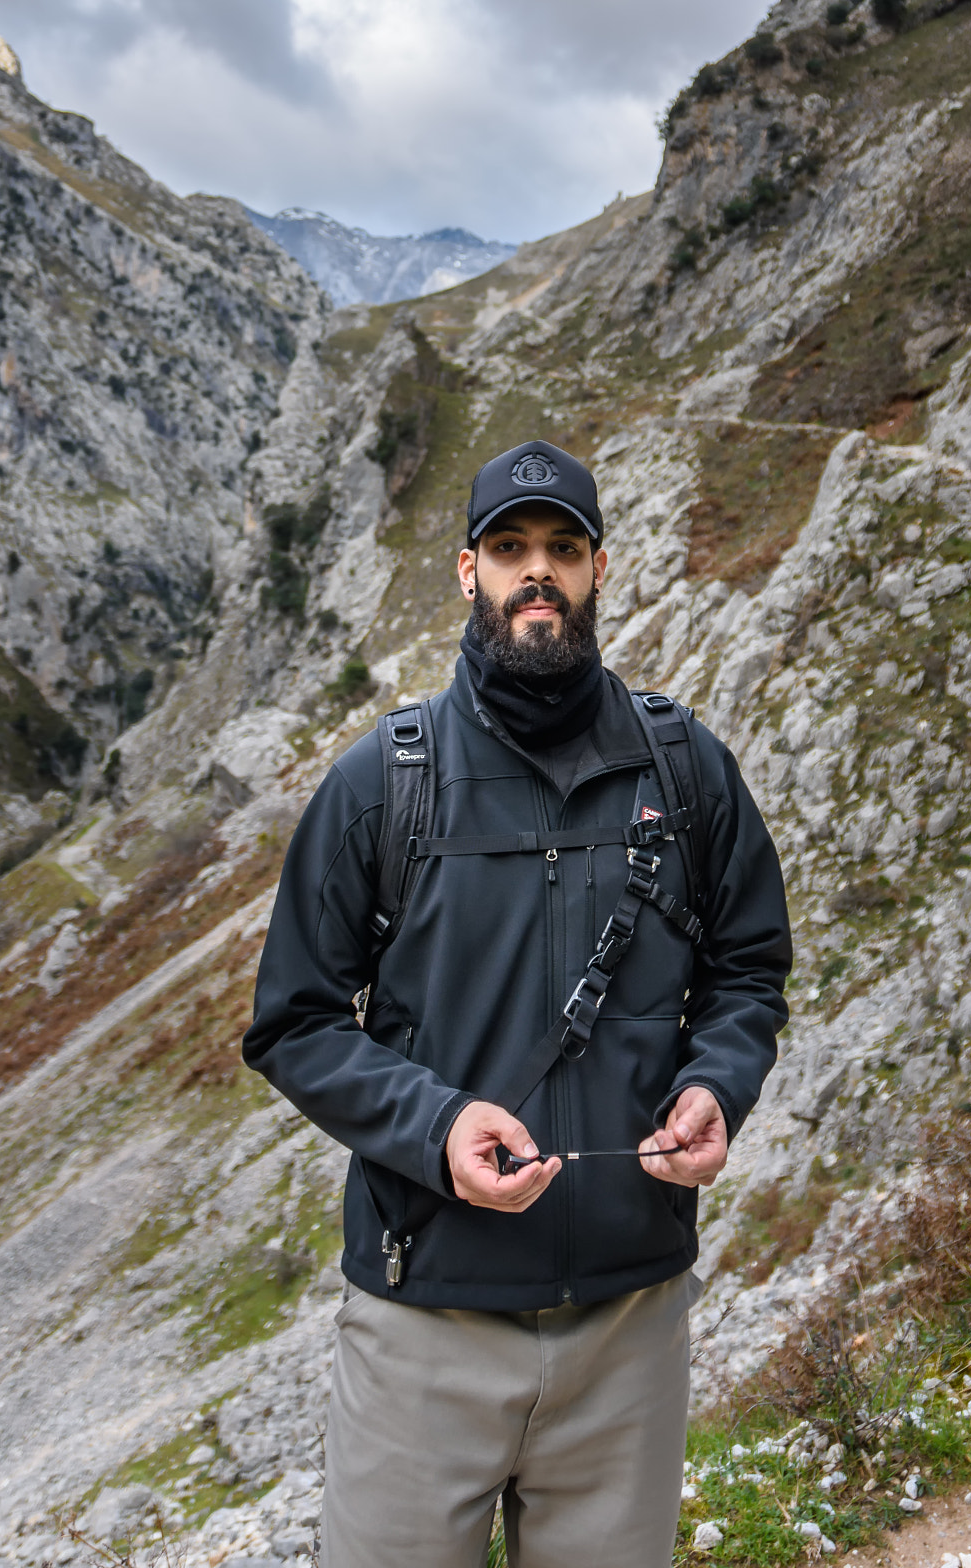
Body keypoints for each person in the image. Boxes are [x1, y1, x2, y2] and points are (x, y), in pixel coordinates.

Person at [243, 437, 791, 1568]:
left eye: (561, 548)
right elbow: (291, 1021)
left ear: (599, 568)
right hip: (422, 1323)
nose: (536, 571)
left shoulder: (685, 770)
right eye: (510, 548)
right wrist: (438, 1127)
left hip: (628, 1327)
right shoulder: (379, 782)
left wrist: (714, 1085)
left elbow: (748, 967)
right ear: (468, 571)